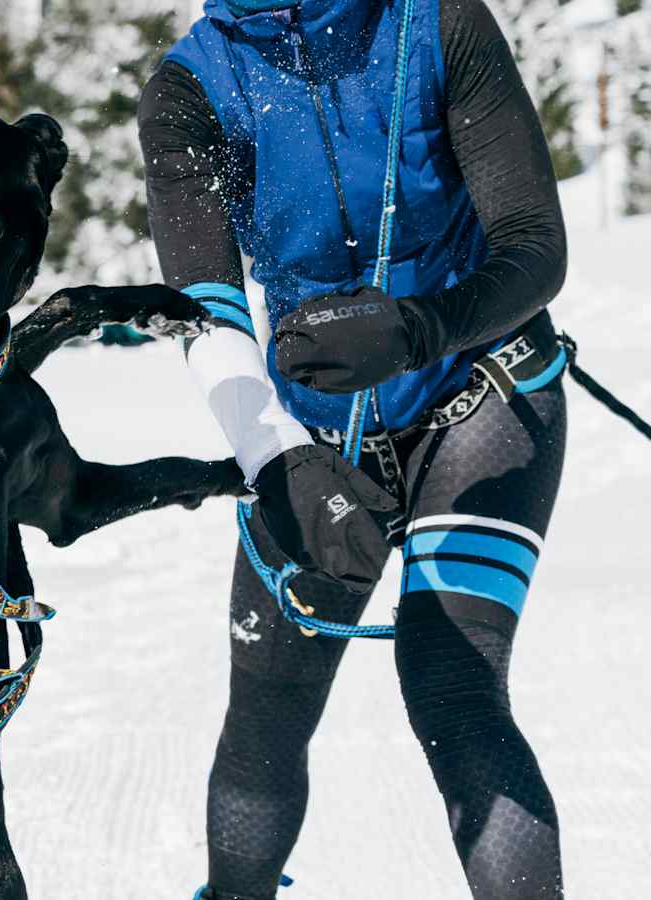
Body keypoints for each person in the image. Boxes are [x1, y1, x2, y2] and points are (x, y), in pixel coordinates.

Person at [138, 0, 569, 897]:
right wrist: (282, 464)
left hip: (480, 392)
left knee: (452, 681)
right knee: (268, 709)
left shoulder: (438, 21)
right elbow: (205, 315)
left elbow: (534, 246)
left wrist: (421, 330)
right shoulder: (190, 89)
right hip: (313, 433)